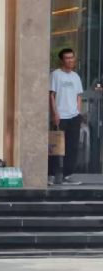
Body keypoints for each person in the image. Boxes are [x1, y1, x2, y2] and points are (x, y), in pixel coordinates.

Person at [49, 48, 84, 185]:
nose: (70, 60)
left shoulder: (76, 77)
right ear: (62, 60)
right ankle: (51, 175)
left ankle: (67, 175)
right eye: (67, 58)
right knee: (55, 147)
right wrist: (55, 113)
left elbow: (79, 95)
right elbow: (51, 95)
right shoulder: (56, 75)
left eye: (72, 57)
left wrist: (78, 112)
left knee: (72, 147)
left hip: (74, 117)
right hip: (60, 116)